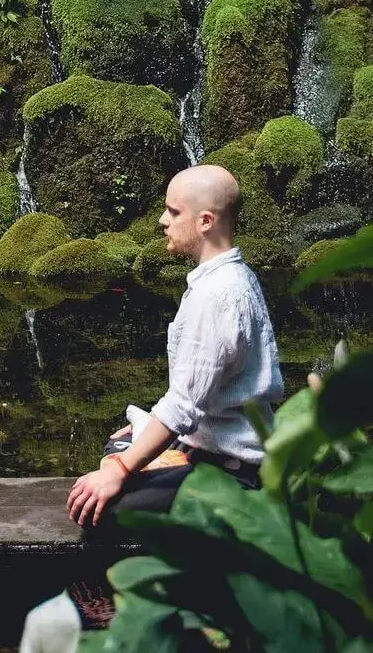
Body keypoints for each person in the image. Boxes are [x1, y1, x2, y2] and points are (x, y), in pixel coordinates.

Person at [67, 163, 284, 529]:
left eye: (173, 211)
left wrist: (119, 469)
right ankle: (177, 459)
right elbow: (200, 393)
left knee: (105, 507)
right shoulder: (230, 277)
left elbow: (184, 404)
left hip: (236, 474)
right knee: (117, 448)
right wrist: (146, 431)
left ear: (204, 221)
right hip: (220, 449)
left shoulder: (216, 295)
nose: (162, 220)